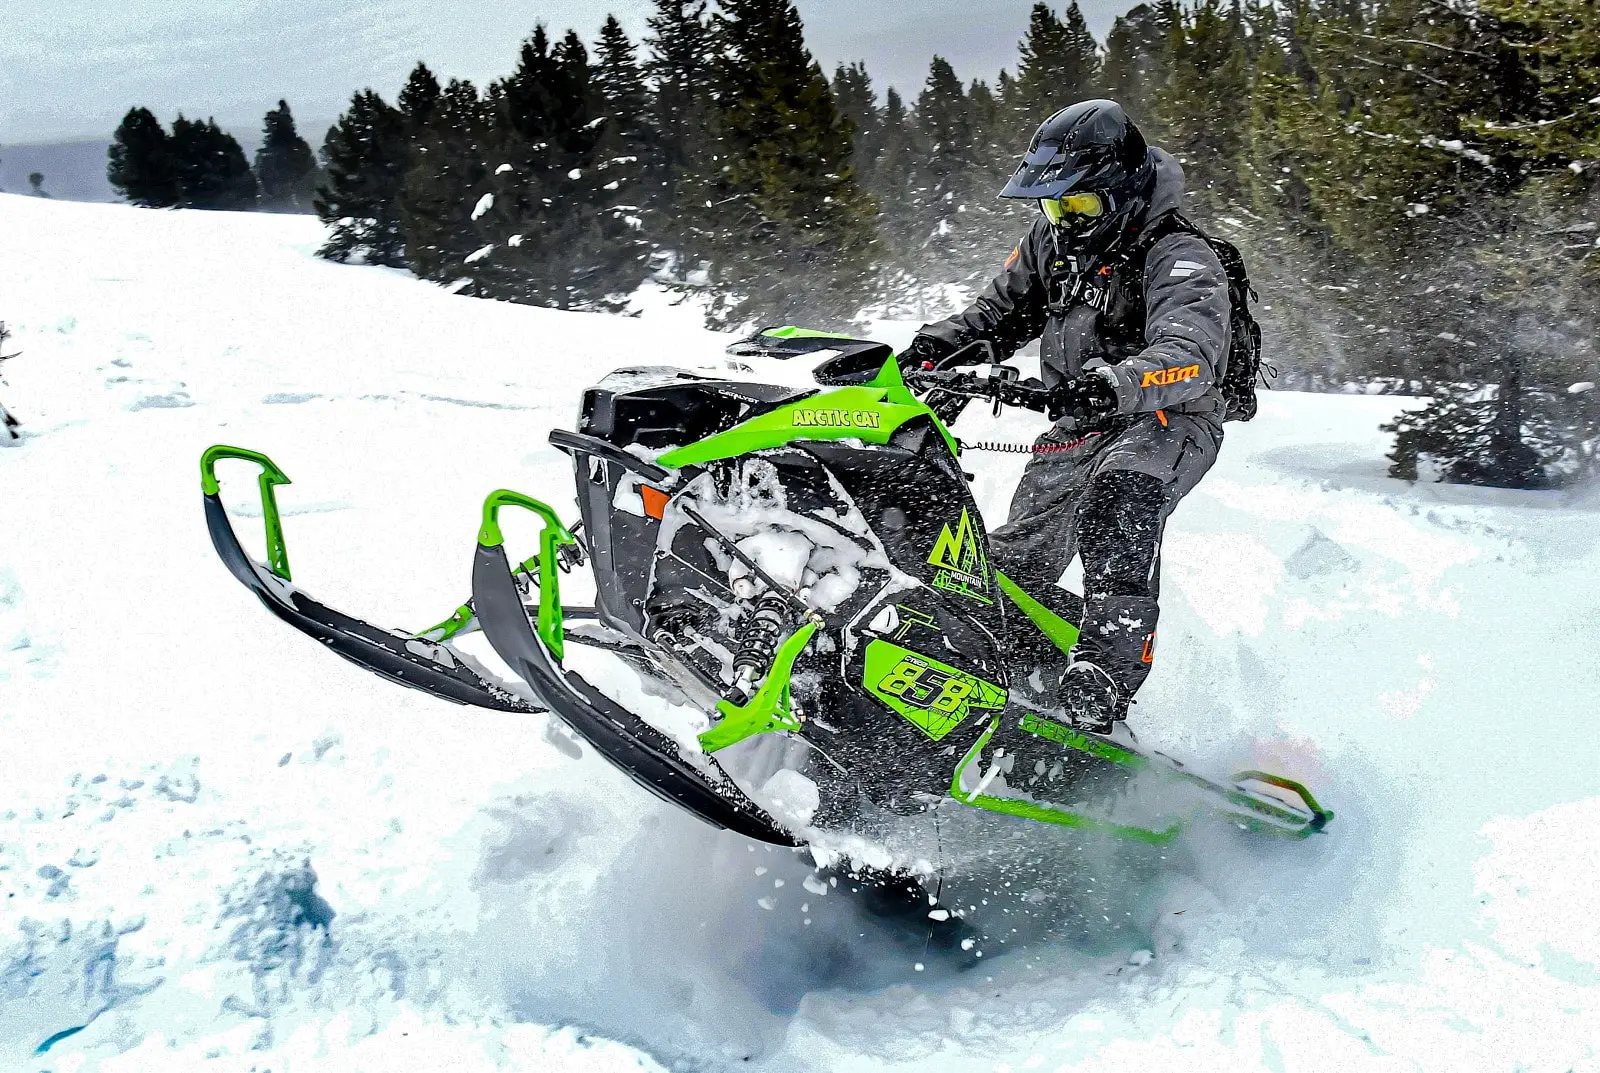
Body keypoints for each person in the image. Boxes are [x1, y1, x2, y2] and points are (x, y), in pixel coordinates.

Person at [902, 99, 1230, 733]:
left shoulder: (1181, 256)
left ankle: (1105, 672)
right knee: (1004, 570)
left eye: (1079, 206)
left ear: (1125, 191)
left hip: (1168, 419)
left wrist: (1111, 385)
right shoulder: (1052, 242)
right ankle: (1016, 668)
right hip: (1078, 427)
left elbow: (1190, 356)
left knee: (1119, 496)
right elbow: (996, 315)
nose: (1065, 221)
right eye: (1053, 206)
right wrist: (930, 353)